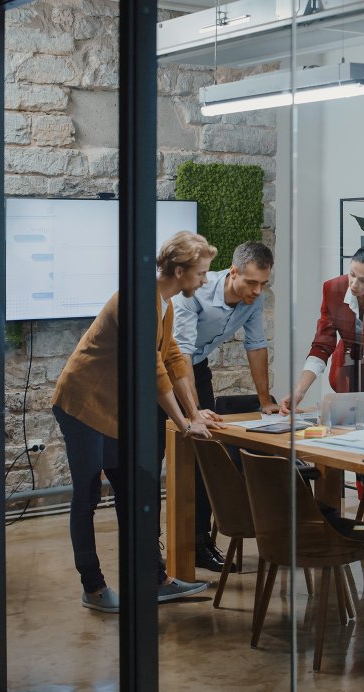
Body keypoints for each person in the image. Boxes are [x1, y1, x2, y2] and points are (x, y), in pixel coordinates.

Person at [52, 231, 220, 613]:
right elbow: (152, 369)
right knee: (88, 495)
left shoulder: (165, 302)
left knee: (136, 493)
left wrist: (194, 413)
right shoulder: (139, 300)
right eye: (200, 273)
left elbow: (174, 357)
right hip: (82, 406)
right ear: (179, 271)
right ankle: (92, 588)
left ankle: (153, 580)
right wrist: (181, 422)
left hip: (114, 411)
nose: (204, 281)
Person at [281, 244, 364, 524]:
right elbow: (322, 344)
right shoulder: (332, 289)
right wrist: (299, 391)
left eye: (363, 280)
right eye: (351, 274)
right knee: (354, 437)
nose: (353, 284)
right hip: (350, 369)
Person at [171, 240, 277, 572]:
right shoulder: (194, 294)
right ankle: (151, 545)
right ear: (233, 273)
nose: (258, 291)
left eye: (264, 283)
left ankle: (199, 542)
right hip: (164, 366)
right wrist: (192, 412)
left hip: (196, 367)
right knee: (162, 455)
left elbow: (256, 344)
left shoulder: (252, 299)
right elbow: (180, 352)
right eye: (252, 283)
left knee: (205, 451)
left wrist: (265, 402)